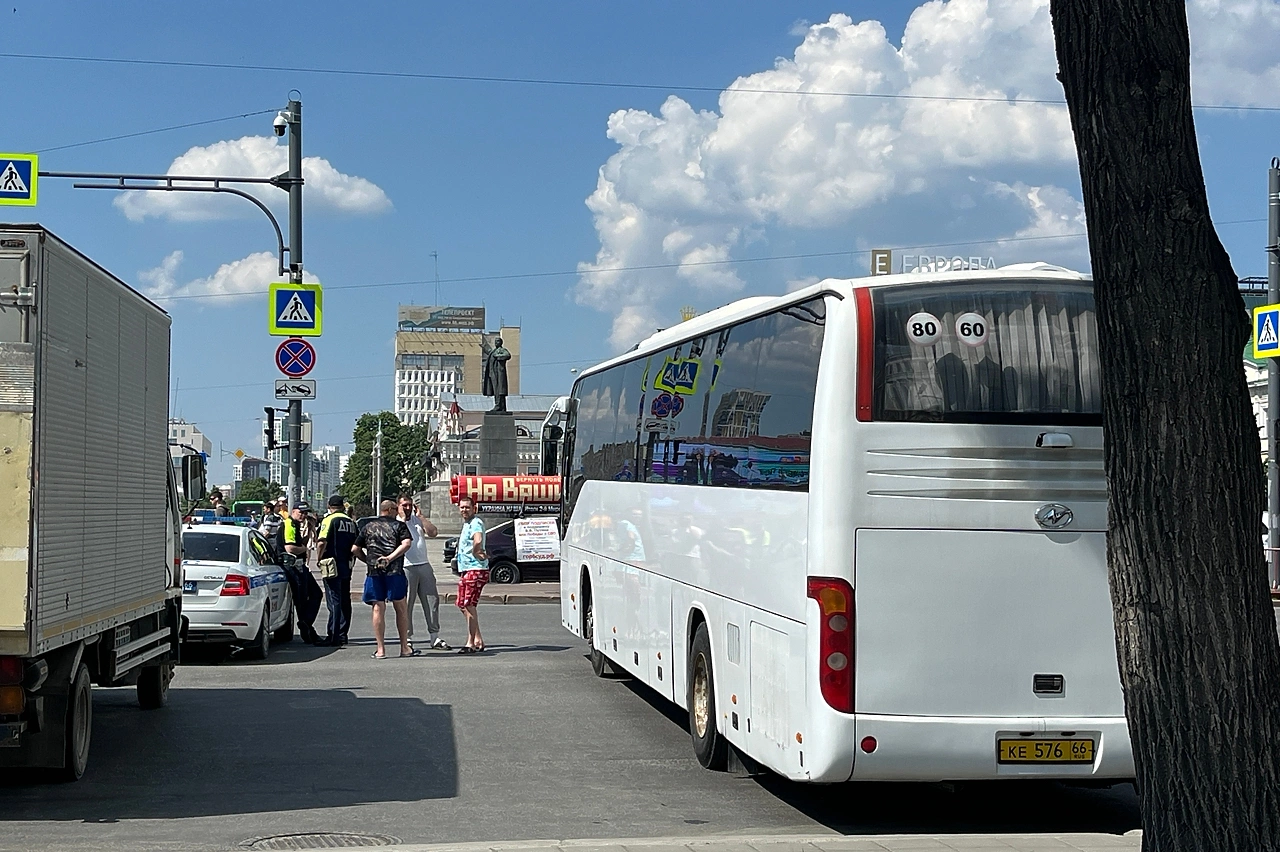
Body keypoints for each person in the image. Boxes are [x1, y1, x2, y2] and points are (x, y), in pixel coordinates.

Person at [353, 499, 415, 659]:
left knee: (377, 608)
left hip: (374, 573)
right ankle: (404, 648)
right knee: (401, 608)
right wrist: (390, 557)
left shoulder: (368, 527)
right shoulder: (399, 526)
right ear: (390, 510)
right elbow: (407, 543)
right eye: (395, 508)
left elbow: (355, 549)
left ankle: (380, 650)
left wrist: (368, 560)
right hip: (394, 572)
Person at [397, 495, 450, 651]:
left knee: (432, 601)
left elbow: (433, 532)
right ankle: (407, 638)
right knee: (407, 604)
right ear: (398, 506)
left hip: (424, 565)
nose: (407, 508)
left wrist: (421, 517)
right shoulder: (397, 523)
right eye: (404, 505)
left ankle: (434, 637)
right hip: (406, 566)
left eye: (410, 505)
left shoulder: (417, 520)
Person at [316, 495, 359, 647]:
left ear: (329, 505)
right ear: (342, 506)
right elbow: (356, 546)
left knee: (333, 600)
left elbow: (322, 542)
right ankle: (342, 633)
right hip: (346, 564)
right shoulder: (351, 523)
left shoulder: (329, 520)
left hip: (331, 564)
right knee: (345, 600)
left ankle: (333, 636)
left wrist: (319, 558)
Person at [280, 501, 322, 644]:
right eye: (301, 512)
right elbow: (290, 548)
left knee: (315, 594)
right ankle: (307, 629)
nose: (303, 515)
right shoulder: (289, 524)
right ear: (293, 511)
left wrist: (310, 530)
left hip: (298, 566)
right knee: (303, 599)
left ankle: (306, 626)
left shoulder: (296, 525)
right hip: (292, 567)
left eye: (305, 513)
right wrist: (306, 549)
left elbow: (299, 544)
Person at [455, 495, 489, 654]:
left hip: (476, 569)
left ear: (474, 508)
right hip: (466, 569)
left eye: (467, 507)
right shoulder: (467, 524)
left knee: (469, 604)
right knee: (463, 604)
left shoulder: (476, 523)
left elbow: (478, 539)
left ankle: (470, 643)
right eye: (462, 507)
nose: (464, 510)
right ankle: (478, 639)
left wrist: (477, 549)